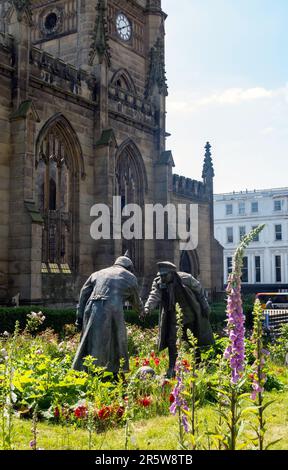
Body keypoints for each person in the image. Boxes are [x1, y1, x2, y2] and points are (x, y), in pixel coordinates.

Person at [72, 252, 143, 375]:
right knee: (117, 340)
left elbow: (84, 293)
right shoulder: (130, 277)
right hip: (112, 309)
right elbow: (136, 301)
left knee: (91, 341)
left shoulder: (98, 273)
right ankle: (113, 372)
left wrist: (79, 316)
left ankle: (86, 371)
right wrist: (141, 312)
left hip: (92, 307)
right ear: (129, 268)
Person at [144, 261, 214, 378]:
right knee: (172, 341)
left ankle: (198, 364)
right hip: (172, 316)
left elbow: (199, 291)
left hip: (189, 314)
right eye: (161, 275)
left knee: (193, 340)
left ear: (172, 273)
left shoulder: (186, 278)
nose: (162, 277)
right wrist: (147, 308)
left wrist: (205, 306)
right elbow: (154, 295)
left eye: (165, 275)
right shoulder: (158, 281)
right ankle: (172, 367)